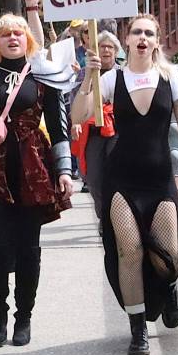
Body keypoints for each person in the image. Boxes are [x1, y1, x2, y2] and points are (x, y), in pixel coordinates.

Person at [72, 14, 178, 355]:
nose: (143, 38)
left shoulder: (170, 77)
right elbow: (77, 116)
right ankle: (138, 330)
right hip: (122, 180)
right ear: (127, 40)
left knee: (167, 254)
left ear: (157, 41)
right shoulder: (110, 78)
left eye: (149, 33)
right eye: (137, 32)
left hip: (159, 179)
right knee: (128, 249)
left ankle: (170, 285)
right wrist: (89, 78)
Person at [0, 11, 75, 348]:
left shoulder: (43, 76)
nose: (12, 38)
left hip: (31, 169)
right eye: (5, 34)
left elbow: (58, 125)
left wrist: (64, 170)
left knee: (28, 249)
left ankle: (24, 317)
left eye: (18, 34)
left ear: (27, 39)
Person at [71, 31, 122, 221]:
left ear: (116, 52)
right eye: (102, 46)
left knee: (116, 174)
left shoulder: (123, 73)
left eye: (110, 47)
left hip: (117, 130)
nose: (106, 50)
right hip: (91, 131)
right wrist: (75, 122)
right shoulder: (86, 73)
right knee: (94, 177)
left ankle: (116, 218)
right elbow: (75, 98)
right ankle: (104, 216)